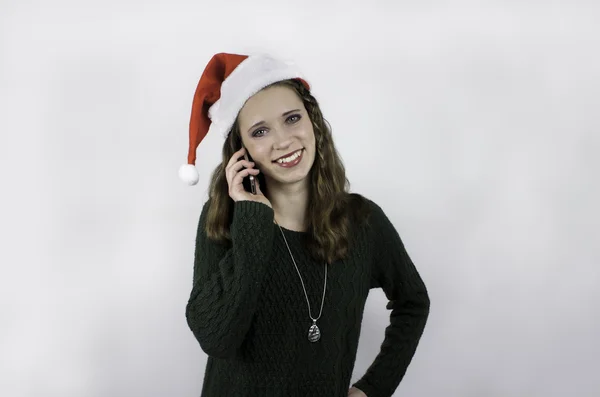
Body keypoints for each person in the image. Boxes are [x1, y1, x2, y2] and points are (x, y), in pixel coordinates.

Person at [180, 52, 430, 397]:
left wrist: (373, 387)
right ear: (242, 152)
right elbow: (215, 338)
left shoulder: (362, 221)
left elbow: (413, 302)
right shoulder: (224, 218)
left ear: (313, 122)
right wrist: (253, 219)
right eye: (260, 131)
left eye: (292, 118)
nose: (283, 141)